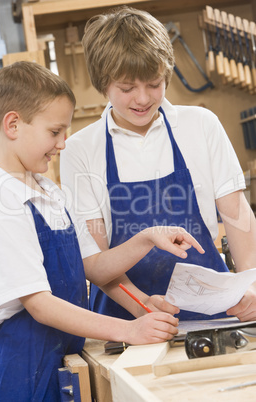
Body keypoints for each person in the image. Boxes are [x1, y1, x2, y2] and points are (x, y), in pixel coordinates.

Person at [0, 61, 206, 401]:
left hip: (62, 358)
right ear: (13, 124)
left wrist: (144, 277)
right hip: (21, 366)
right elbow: (40, 305)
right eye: (54, 132)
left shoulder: (48, 190)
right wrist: (130, 330)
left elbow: (93, 265)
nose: (62, 144)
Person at [60, 6, 256, 323]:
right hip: (129, 319)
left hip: (215, 311)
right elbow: (95, 260)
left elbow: (237, 215)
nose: (142, 98)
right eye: (127, 88)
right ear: (103, 83)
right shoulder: (79, 150)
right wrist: (144, 308)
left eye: (154, 83)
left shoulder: (201, 125)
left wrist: (252, 284)